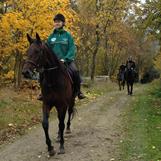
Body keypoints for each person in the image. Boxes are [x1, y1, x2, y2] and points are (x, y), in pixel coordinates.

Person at [38, 13, 85, 100]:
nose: (56, 23)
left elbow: (72, 48)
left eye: (59, 22)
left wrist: (66, 59)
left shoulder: (68, 36)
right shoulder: (51, 37)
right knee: (42, 73)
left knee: (75, 71)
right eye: (55, 22)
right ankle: (42, 92)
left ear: (63, 23)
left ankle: (79, 91)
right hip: (53, 63)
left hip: (66, 61)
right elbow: (47, 50)